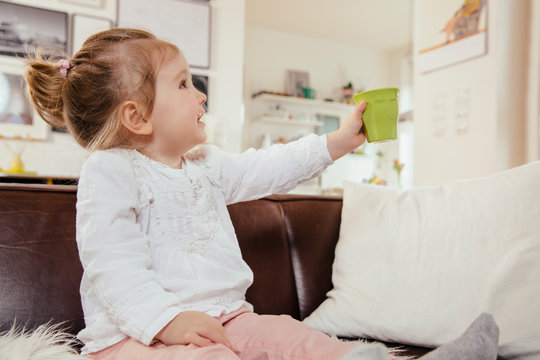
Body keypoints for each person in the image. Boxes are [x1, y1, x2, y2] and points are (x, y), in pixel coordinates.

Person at [24, 28, 499, 360]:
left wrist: (336, 143)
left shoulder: (206, 166)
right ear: (137, 117)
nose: (200, 95)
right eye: (185, 83)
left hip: (229, 320)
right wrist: (166, 321)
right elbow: (113, 265)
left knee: (296, 338)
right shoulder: (110, 171)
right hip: (136, 340)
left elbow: (270, 167)